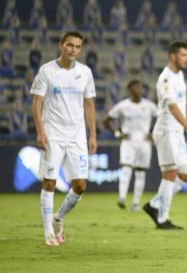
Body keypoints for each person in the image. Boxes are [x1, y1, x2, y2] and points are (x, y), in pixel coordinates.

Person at [30, 31, 96, 246]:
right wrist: (41, 131)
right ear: (61, 45)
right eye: (69, 45)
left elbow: (89, 104)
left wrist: (92, 134)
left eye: (77, 46)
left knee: (80, 185)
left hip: (76, 136)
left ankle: (58, 218)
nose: (73, 50)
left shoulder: (85, 72)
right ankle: (48, 231)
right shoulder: (47, 71)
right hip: (53, 134)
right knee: (49, 182)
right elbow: (37, 103)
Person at [142, 41, 187, 229]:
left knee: (186, 175)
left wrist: (184, 129)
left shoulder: (180, 75)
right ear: (172, 56)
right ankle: (162, 219)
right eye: (183, 55)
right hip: (166, 130)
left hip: (177, 132)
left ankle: (154, 204)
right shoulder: (165, 79)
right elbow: (173, 107)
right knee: (170, 173)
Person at [103, 80, 157, 212]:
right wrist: (117, 133)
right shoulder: (123, 106)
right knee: (126, 168)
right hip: (128, 140)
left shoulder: (149, 106)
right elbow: (106, 121)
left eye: (140, 87)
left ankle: (136, 203)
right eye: (136, 87)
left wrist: (154, 134)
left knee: (140, 172)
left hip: (144, 141)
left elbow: (161, 119)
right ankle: (122, 197)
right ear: (129, 90)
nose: (139, 90)